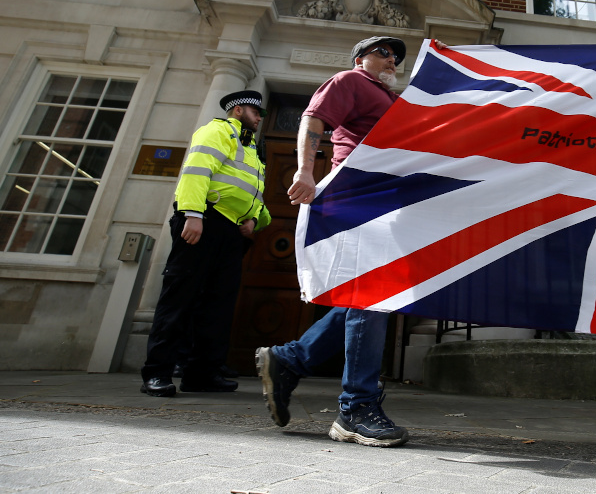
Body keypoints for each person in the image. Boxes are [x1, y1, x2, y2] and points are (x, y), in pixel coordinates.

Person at [255, 36, 409, 448]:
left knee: (371, 297)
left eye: (395, 55)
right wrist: (304, 171)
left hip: (383, 202)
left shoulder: (394, 102)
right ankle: (355, 407)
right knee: (372, 294)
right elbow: (313, 119)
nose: (391, 59)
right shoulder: (349, 81)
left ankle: (289, 361)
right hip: (355, 196)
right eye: (382, 52)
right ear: (361, 58)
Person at [141, 90, 271, 397]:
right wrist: (193, 214)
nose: (260, 118)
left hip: (231, 233)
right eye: (257, 112)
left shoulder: (252, 149)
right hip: (204, 222)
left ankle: (201, 374)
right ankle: (157, 373)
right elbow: (196, 172)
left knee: (217, 305)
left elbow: (255, 197)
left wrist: (255, 220)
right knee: (179, 298)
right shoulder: (217, 131)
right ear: (238, 110)